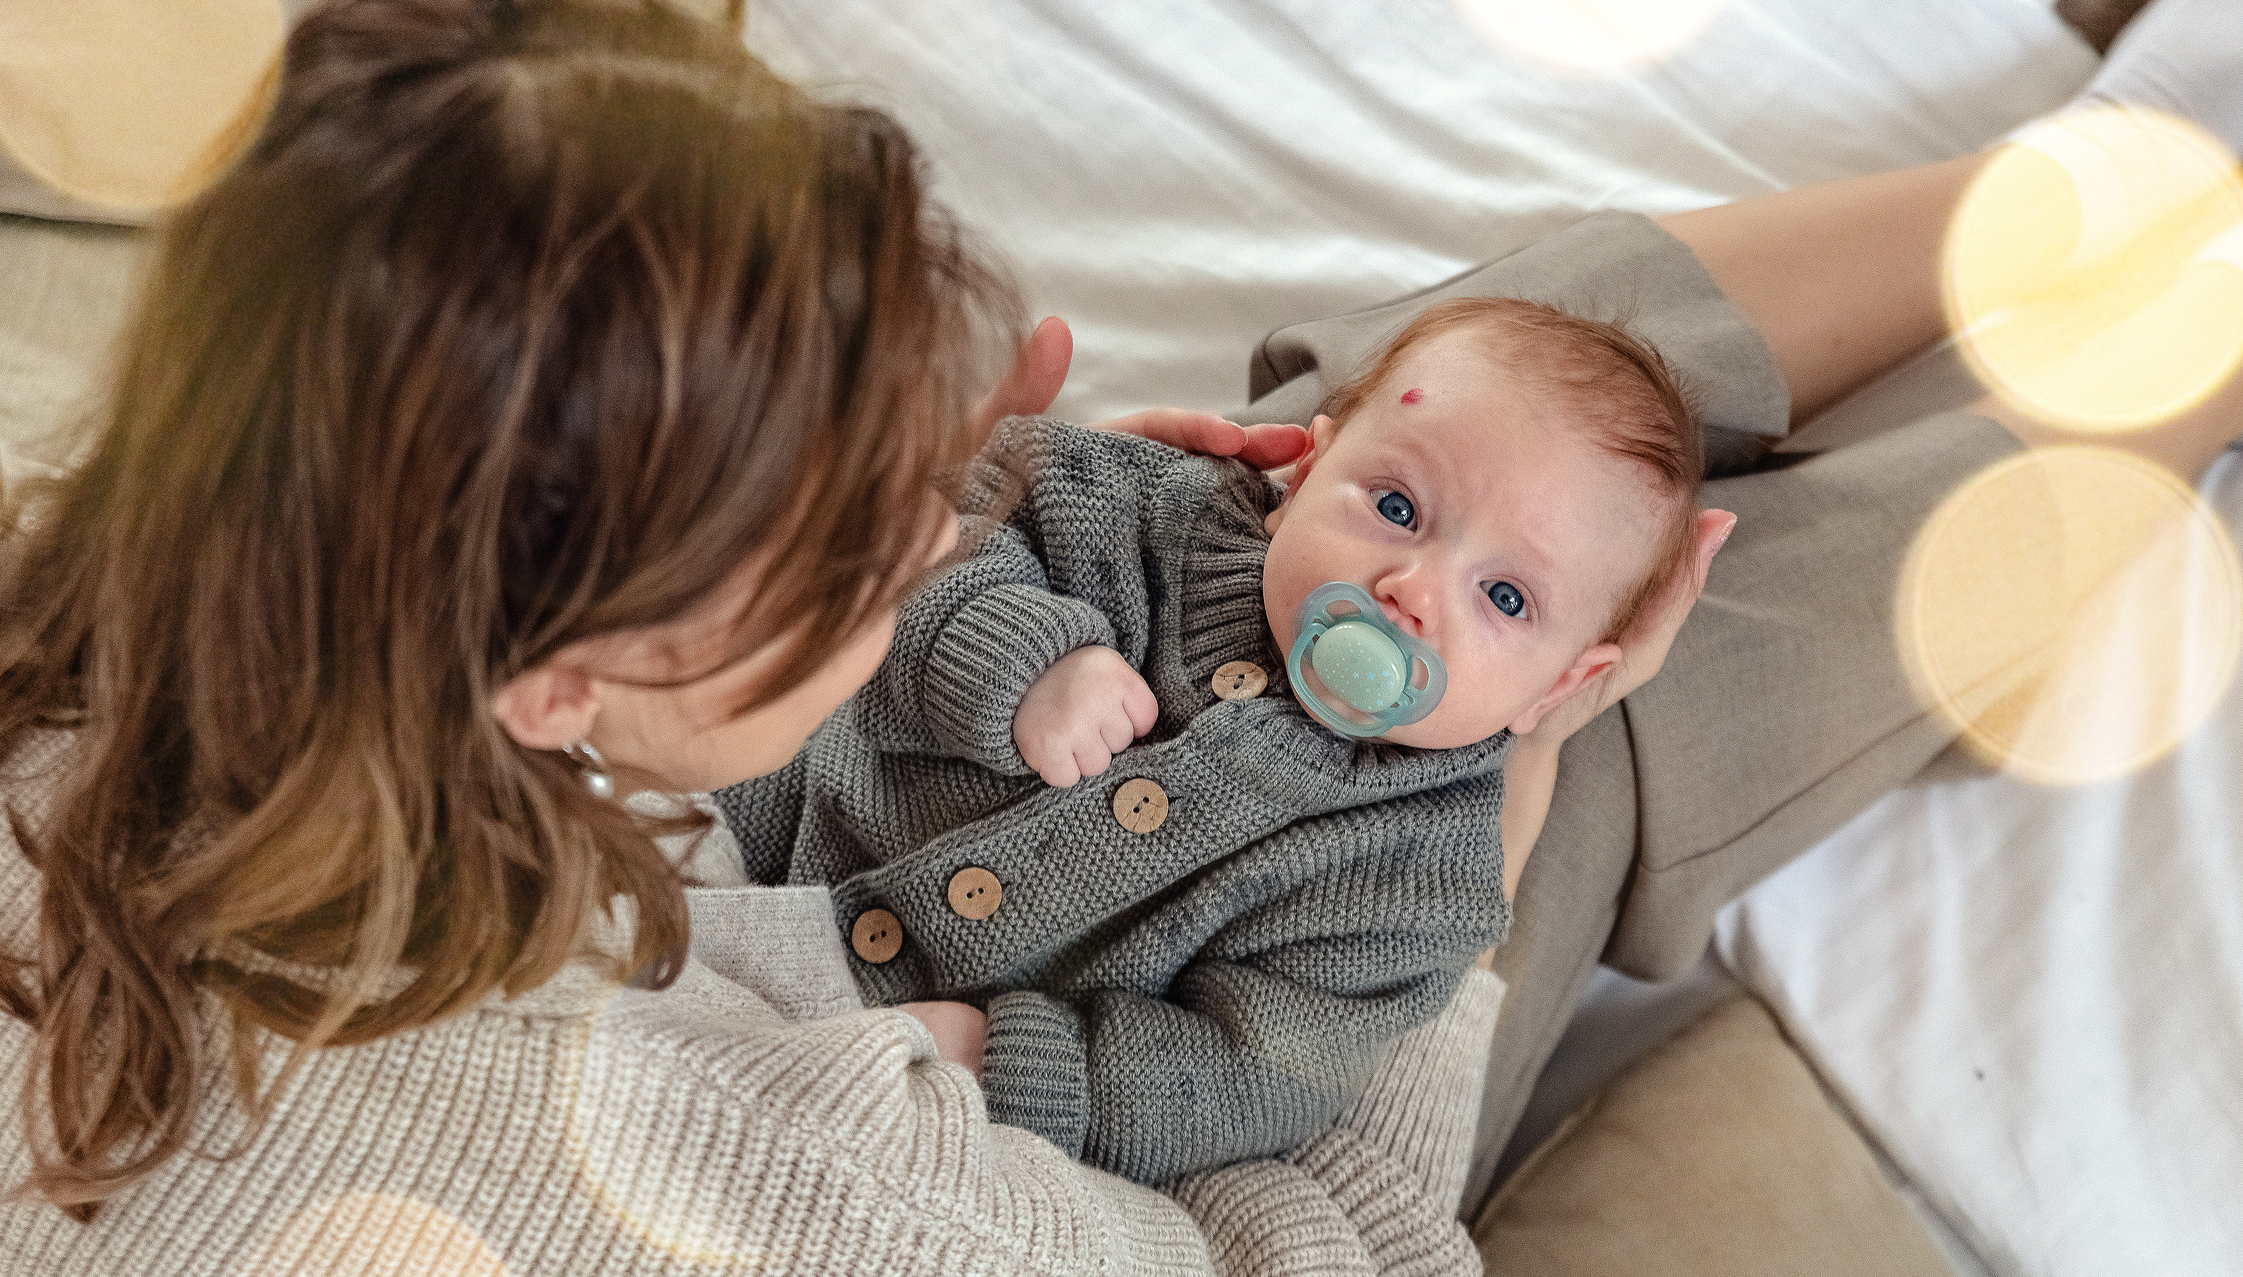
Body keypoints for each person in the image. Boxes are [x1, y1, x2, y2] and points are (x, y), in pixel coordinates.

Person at [0, 0, 2243, 1277]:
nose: (981, 472)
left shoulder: (102, 593)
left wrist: (1130, 515)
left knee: (1410, 447)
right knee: (1555, 666)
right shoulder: (731, 1229)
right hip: (1134, 1096)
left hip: (825, 883)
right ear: (573, 672)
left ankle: (2084, 181)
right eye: (882, 513)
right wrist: (1473, 903)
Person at [714, 296, 1701, 1185]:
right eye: (1395, 507)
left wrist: (1017, 1062)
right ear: (1303, 474)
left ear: (1562, 686)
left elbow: (1259, 1071)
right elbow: (936, 535)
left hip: (936, 1070)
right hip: (761, 835)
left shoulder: (1421, 881)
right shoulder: (1135, 507)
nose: (1413, 592)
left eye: (1506, 597)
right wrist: (1018, 655)